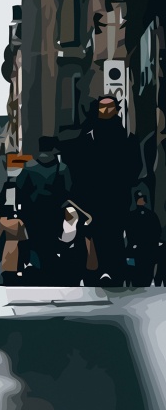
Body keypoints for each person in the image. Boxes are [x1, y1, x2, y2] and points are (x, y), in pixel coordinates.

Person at [69, 96, 140, 286]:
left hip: (117, 197)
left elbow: (135, 168)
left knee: (114, 235)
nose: (106, 111)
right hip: (94, 198)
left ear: (116, 110)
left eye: (110, 107)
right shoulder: (88, 137)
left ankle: (113, 272)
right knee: (96, 235)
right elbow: (78, 170)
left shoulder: (127, 138)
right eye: (102, 107)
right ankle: (100, 271)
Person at [15, 136, 72, 284]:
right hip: (54, 212)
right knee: (51, 242)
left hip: (32, 212)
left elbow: (19, 190)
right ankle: (50, 271)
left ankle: (37, 270)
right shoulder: (62, 167)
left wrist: (21, 208)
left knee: (35, 241)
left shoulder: (28, 166)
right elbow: (69, 190)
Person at [125, 187, 160, 287]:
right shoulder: (132, 216)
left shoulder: (151, 215)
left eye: (142, 199)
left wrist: (152, 244)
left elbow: (156, 231)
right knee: (135, 271)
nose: (141, 201)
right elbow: (129, 231)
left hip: (147, 249)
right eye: (140, 199)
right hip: (136, 249)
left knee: (147, 272)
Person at [0, 207, 28, 285]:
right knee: (17, 264)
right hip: (16, 244)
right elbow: (24, 236)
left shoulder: (1, 221)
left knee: (7, 266)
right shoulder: (19, 221)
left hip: (7, 244)